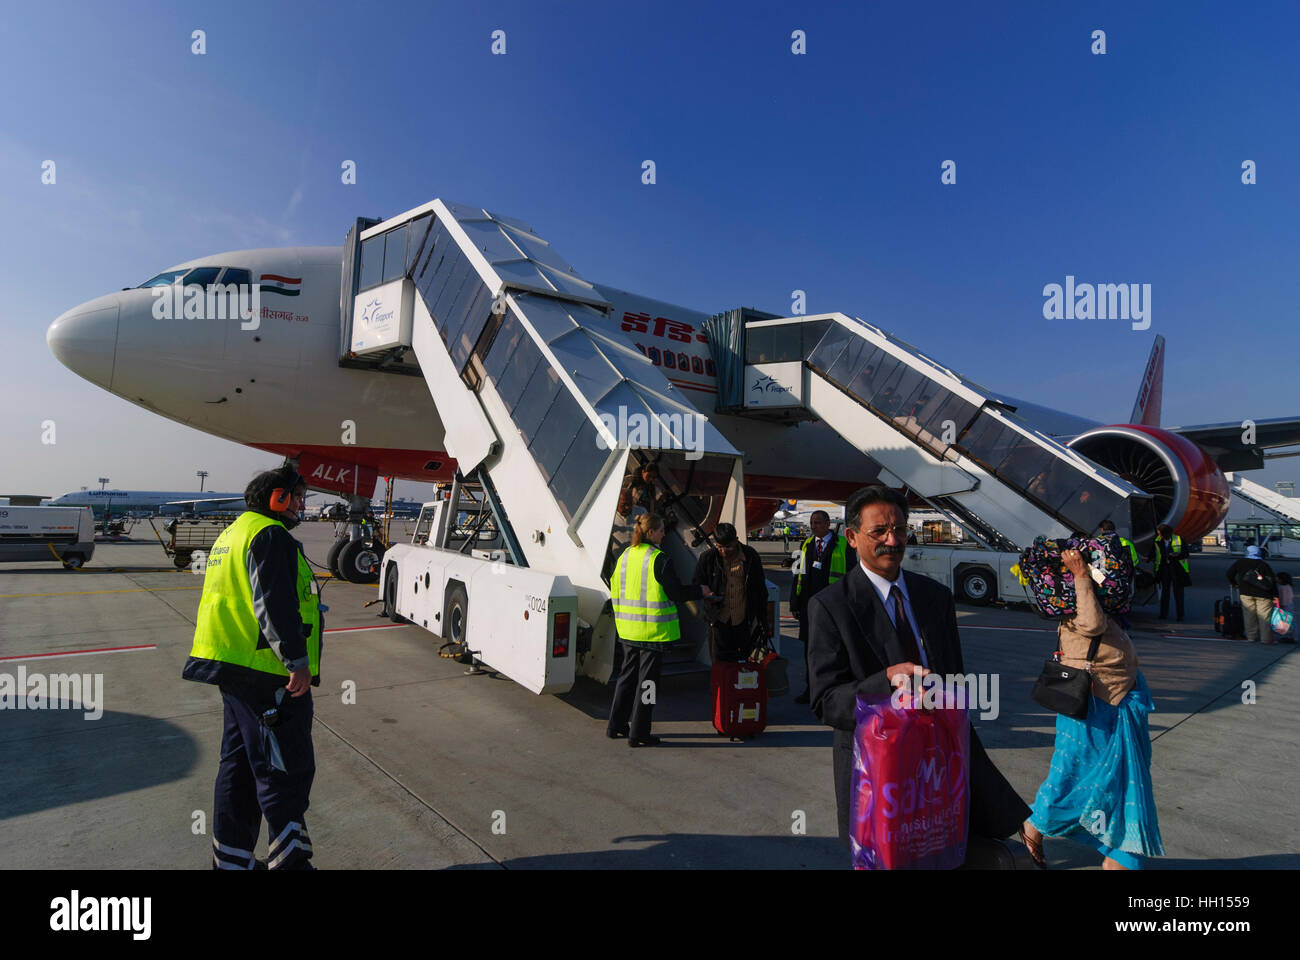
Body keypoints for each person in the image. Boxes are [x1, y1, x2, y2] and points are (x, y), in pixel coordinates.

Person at [808, 485, 1030, 864]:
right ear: (852, 536)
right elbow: (825, 701)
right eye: (878, 531)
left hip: (937, 773)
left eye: (899, 529)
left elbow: (955, 703)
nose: (892, 540)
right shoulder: (831, 607)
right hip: (880, 778)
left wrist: (1013, 812)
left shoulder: (936, 597)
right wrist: (884, 682)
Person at [182, 467, 321, 870]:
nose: (300, 505)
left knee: (239, 770)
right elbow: (273, 604)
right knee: (284, 770)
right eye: (297, 497)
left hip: (234, 670)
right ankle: (292, 863)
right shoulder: (270, 535)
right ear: (276, 497)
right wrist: (296, 661)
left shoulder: (233, 533)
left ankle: (232, 862)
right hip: (268, 676)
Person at [1021, 547, 1163, 869]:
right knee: (1077, 776)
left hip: (1117, 701)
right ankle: (1038, 823)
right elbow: (1093, 624)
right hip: (1094, 705)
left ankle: (1119, 852)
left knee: (1116, 778)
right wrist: (1081, 575)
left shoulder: (1085, 592)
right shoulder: (1073, 601)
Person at [606, 513, 710, 747]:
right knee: (648, 685)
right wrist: (700, 591)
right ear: (651, 532)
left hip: (628, 629)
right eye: (662, 530)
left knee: (626, 678)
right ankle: (640, 732)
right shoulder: (659, 559)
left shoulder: (625, 555)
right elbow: (676, 593)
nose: (665, 534)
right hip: (652, 632)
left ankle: (616, 725)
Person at [789, 510, 856, 704]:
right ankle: (811, 689)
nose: (813, 526)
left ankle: (834, 690)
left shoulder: (844, 545)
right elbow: (797, 575)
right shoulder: (806, 545)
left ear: (828, 524)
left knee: (834, 651)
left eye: (817, 522)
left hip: (834, 606)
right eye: (812, 523)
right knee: (810, 650)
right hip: (809, 606)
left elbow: (852, 576)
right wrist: (794, 602)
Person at [692, 522, 769, 663]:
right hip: (718, 621)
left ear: (736, 540)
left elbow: (760, 590)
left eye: (728, 547)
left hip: (743, 622)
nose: (723, 551)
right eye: (719, 547)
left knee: (743, 666)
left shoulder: (750, 556)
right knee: (719, 666)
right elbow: (697, 583)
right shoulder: (708, 558)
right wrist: (706, 593)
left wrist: (763, 620)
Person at [1226, 545, 1278, 643]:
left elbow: (1229, 574)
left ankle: (1251, 637)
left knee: (1249, 615)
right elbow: (1272, 581)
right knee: (1264, 617)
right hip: (1264, 595)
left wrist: (1235, 584)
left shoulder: (1240, 562)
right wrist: (1275, 595)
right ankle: (1266, 639)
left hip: (1245, 593)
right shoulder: (1263, 564)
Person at [1152, 524, 1189, 622]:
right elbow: (1154, 553)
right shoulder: (1157, 541)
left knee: (1179, 594)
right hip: (1164, 569)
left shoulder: (1179, 539)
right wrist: (1148, 558)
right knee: (1165, 593)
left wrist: (1177, 555)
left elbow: (1186, 553)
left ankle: (1180, 615)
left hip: (1177, 569)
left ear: (1165, 533)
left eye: (1160, 533)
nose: (1158, 535)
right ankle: (1163, 614)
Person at [1276, 571, 1295, 643]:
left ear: (1281, 579)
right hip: (1290, 604)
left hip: (1285, 606)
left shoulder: (1282, 587)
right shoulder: (1288, 586)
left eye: (1277, 578)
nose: (1276, 579)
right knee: (1290, 621)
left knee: (1285, 621)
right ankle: (1291, 636)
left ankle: (1288, 636)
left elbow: (1283, 598)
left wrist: (1281, 606)